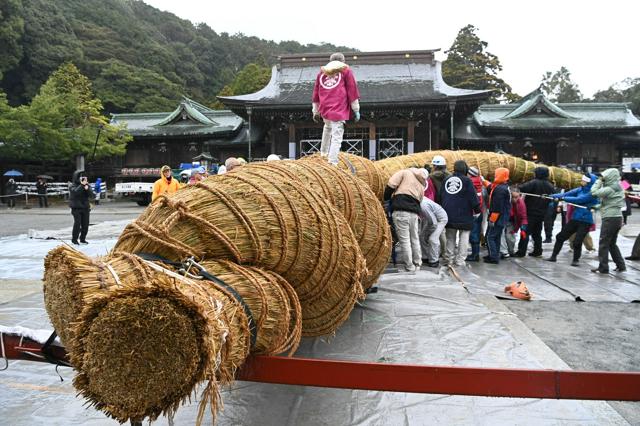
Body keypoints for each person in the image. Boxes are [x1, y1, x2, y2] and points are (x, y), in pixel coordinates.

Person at [312, 52, 361, 166]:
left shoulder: (322, 72)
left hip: (325, 108)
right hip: (338, 109)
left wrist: (315, 110)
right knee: (337, 136)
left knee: (327, 128)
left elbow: (316, 93)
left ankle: (323, 153)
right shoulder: (345, 70)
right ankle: (332, 162)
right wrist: (356, 110)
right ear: (343, 61)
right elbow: (352, 91)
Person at [545, 174, 598, 266]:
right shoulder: (580, 189)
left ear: (589, 182)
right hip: (575, 218)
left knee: (577, 241)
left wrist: (563, 199)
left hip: (586, 221)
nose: (582, 182)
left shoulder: (592, 193)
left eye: (584, 181)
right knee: (560, 237)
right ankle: (553, 256)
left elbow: (579, 200)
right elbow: (565, 194)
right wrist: (550, 196)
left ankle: (576, 260)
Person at [384, 168, 426, 273]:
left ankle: (409, 266)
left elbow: (391, 185)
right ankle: (417, 263)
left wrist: (386, 198)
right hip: (414, 213)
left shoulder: (404, 172)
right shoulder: (422, 184)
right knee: (414, 239)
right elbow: (420, 200)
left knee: (405, 240)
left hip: (401, 210)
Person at [440, 160, 480, 267]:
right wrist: (477, 210)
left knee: (450, 237)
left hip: (448, 213)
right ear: (465, 169)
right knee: (464, 236)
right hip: (464, 214)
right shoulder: (467, 181)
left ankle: (449, 259)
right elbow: (473, 198)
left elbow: (440, 196)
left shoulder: (446, 180)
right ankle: (460, 260)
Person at [590, 168, 626, 273]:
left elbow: (594, 192)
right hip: (617, 217)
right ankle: (621, 265)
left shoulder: (611, 188)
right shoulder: (618, 186)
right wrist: (596, 206)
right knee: (611, 243)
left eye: (605, 177)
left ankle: (603, 267)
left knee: (604, 243)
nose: (603, 178)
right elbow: (610, 202)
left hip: (610, 218)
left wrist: (599, 181)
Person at [516, 166, 555, 257]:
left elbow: (521, 188)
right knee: (537, 234)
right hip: (542, 213)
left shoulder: (534, 182)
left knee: (525, 232)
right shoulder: (550, 185)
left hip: (530, 213)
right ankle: (538, 251)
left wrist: (519, 183)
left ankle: (521, 251)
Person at [484, 168, 511, 264]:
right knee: (497, 237)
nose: (495, 175)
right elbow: (491, 187)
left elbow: (497, 207)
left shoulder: (500, 190)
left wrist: (492, 220)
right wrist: (483, 181)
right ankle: (494, 255)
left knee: (490, 237)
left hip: (498, 218)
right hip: (502, 218)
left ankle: (493, 257)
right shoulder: (502, 186)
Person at [419, 188, 448, 268]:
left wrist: (428, 233)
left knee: (432, 239)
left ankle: (434, 260)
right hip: (430, 218)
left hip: (440, 219)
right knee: (422, 236)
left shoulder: (422, 204)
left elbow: (433, 223)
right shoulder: (418, 199)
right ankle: (425, 257)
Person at [467, 166, 490, 261]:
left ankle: (475, 255)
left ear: (470, 174)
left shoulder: (469, 183)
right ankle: (475, 253)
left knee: (473, 234)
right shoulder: (481, 182)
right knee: (476, 232)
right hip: (479, 211)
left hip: (472, 212)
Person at [501, 186, 528, 258]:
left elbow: (523, 217)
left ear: (519, 196)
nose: (514, 199)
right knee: (501, 235)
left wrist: (523, 229)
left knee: (510, 237)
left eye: (516, 197)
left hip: (512, 221)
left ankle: (510, 251)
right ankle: (503, 251)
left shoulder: (521, 204)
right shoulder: (505, 200)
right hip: (503, 219)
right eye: (513, 197)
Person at [69, 170, 93, 245]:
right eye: (80, 177)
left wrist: (87, 189)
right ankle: (74, 239)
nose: (82, 179)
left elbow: (92, 195)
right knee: (77, 224)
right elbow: (76, 192)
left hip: (85, 208)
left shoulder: (86, 185)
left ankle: (83, 239)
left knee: (85, 224)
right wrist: (82, 185)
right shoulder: (72, 186)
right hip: (76, 208)